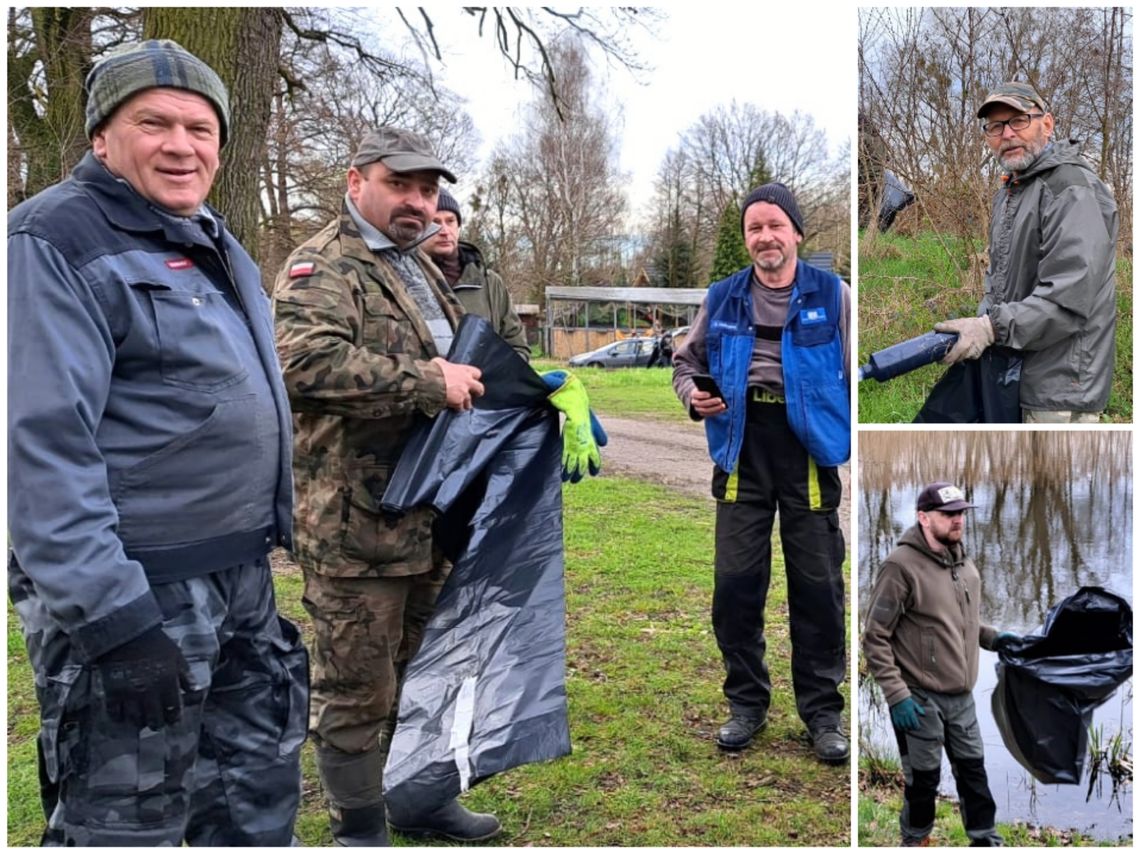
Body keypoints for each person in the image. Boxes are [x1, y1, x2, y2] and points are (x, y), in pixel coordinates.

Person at [7, 40, 306, 846]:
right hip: (141, 591)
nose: (182, 145)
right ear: (102, 138)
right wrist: (115, 621)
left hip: (239, 579)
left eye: (201, 128)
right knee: (124, 822)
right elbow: (39, 446)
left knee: (248, 804)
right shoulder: (51, 241)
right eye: (155, 123)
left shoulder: (213, 239)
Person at [272, 126, 495, 846]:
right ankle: (359, 827)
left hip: (430, 514)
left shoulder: (418, 266)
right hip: (356, 524)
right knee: (356, 684)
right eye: (400, 185)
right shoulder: (322, 265)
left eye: (428, 191)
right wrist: (429, 383)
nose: (418, 202)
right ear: (355, 180)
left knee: (426, 668)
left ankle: (419, 800)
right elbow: (303, 367)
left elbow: (460, 362)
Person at [672, 183, 851, 765]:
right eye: (754, 228)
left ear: (797, 232)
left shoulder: (836, 295)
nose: (765, 237)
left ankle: (823, 714)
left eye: (775, 225)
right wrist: (692, 396)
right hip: (741, 448)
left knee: (818, 590)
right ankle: (746, 704)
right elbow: (687, 363)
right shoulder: (722, 297)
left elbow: (857, 377)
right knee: (735, 588)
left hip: (806, 452)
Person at [935, 81, 1117, 423]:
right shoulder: (1012, 190)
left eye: (1018, 121)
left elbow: (1067, 300)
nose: (1007, 134)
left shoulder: (1070, 189)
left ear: (1046, 124)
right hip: (1014, 373)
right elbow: (1000, 280)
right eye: (995, 126)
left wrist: (990, 328)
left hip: (1058, 388)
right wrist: (982, 325)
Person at [862, 482, 1017, 847]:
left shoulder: (963, 563)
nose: (957, 520)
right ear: (923, 517)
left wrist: (996, 639)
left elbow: (958, 623)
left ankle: (984, 839)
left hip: (961, 696)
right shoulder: (899, 567)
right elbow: (875, 637)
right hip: (918, 697)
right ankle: (915, 840)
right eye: (948, 515)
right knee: (924, 780)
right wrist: (897, 695)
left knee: (974, 774)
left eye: (961, 513)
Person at [422, 187, 531, 361]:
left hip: (485, 386)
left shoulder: (490, 284)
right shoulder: (404, 280)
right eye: (434, 222)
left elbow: (517, 346)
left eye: (450, 221)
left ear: (458, 227)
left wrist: (494, 375)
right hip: (430, 386)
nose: (444, 230)